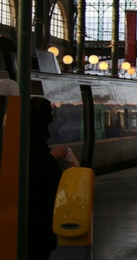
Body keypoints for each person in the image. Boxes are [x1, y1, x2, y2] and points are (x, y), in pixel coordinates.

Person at [27, 97, 77, 260]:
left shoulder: (33, 139)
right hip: (36, 214)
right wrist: (52, 156)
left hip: (42, 213)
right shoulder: (29, 142)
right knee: (37, 249)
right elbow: (32, 174)